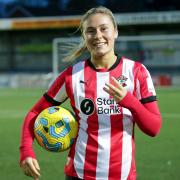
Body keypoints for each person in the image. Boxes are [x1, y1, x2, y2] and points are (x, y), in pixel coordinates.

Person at [19, 6, 162, 180]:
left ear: (115, 32)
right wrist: (26, 151)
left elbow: (154, 128)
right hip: (78, 174)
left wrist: (128, 100)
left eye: (104, 29)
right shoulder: (71, 76)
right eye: (91, 31)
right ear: (84, 37)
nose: (98, 36)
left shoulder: (136, 72)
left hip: (122, 175)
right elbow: (35, 112)